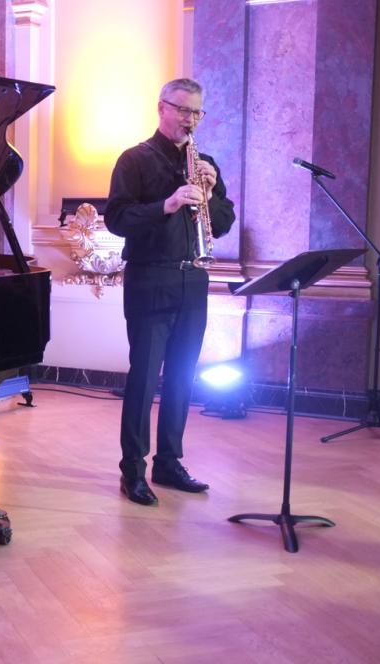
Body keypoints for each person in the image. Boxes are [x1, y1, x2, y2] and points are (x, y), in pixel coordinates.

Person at [104, 78, 236, 506]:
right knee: (144, 379)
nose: (190, 119)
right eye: (183, 110)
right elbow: (117, 219)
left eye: (197, 112)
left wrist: (210, 194)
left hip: (193, 279)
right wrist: (168, 204)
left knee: (182, 376)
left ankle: (168, 462)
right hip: (150, 278)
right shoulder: (135, 159)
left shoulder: (205, 162)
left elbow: (224, 222)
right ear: (161, 108)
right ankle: (133, 469)